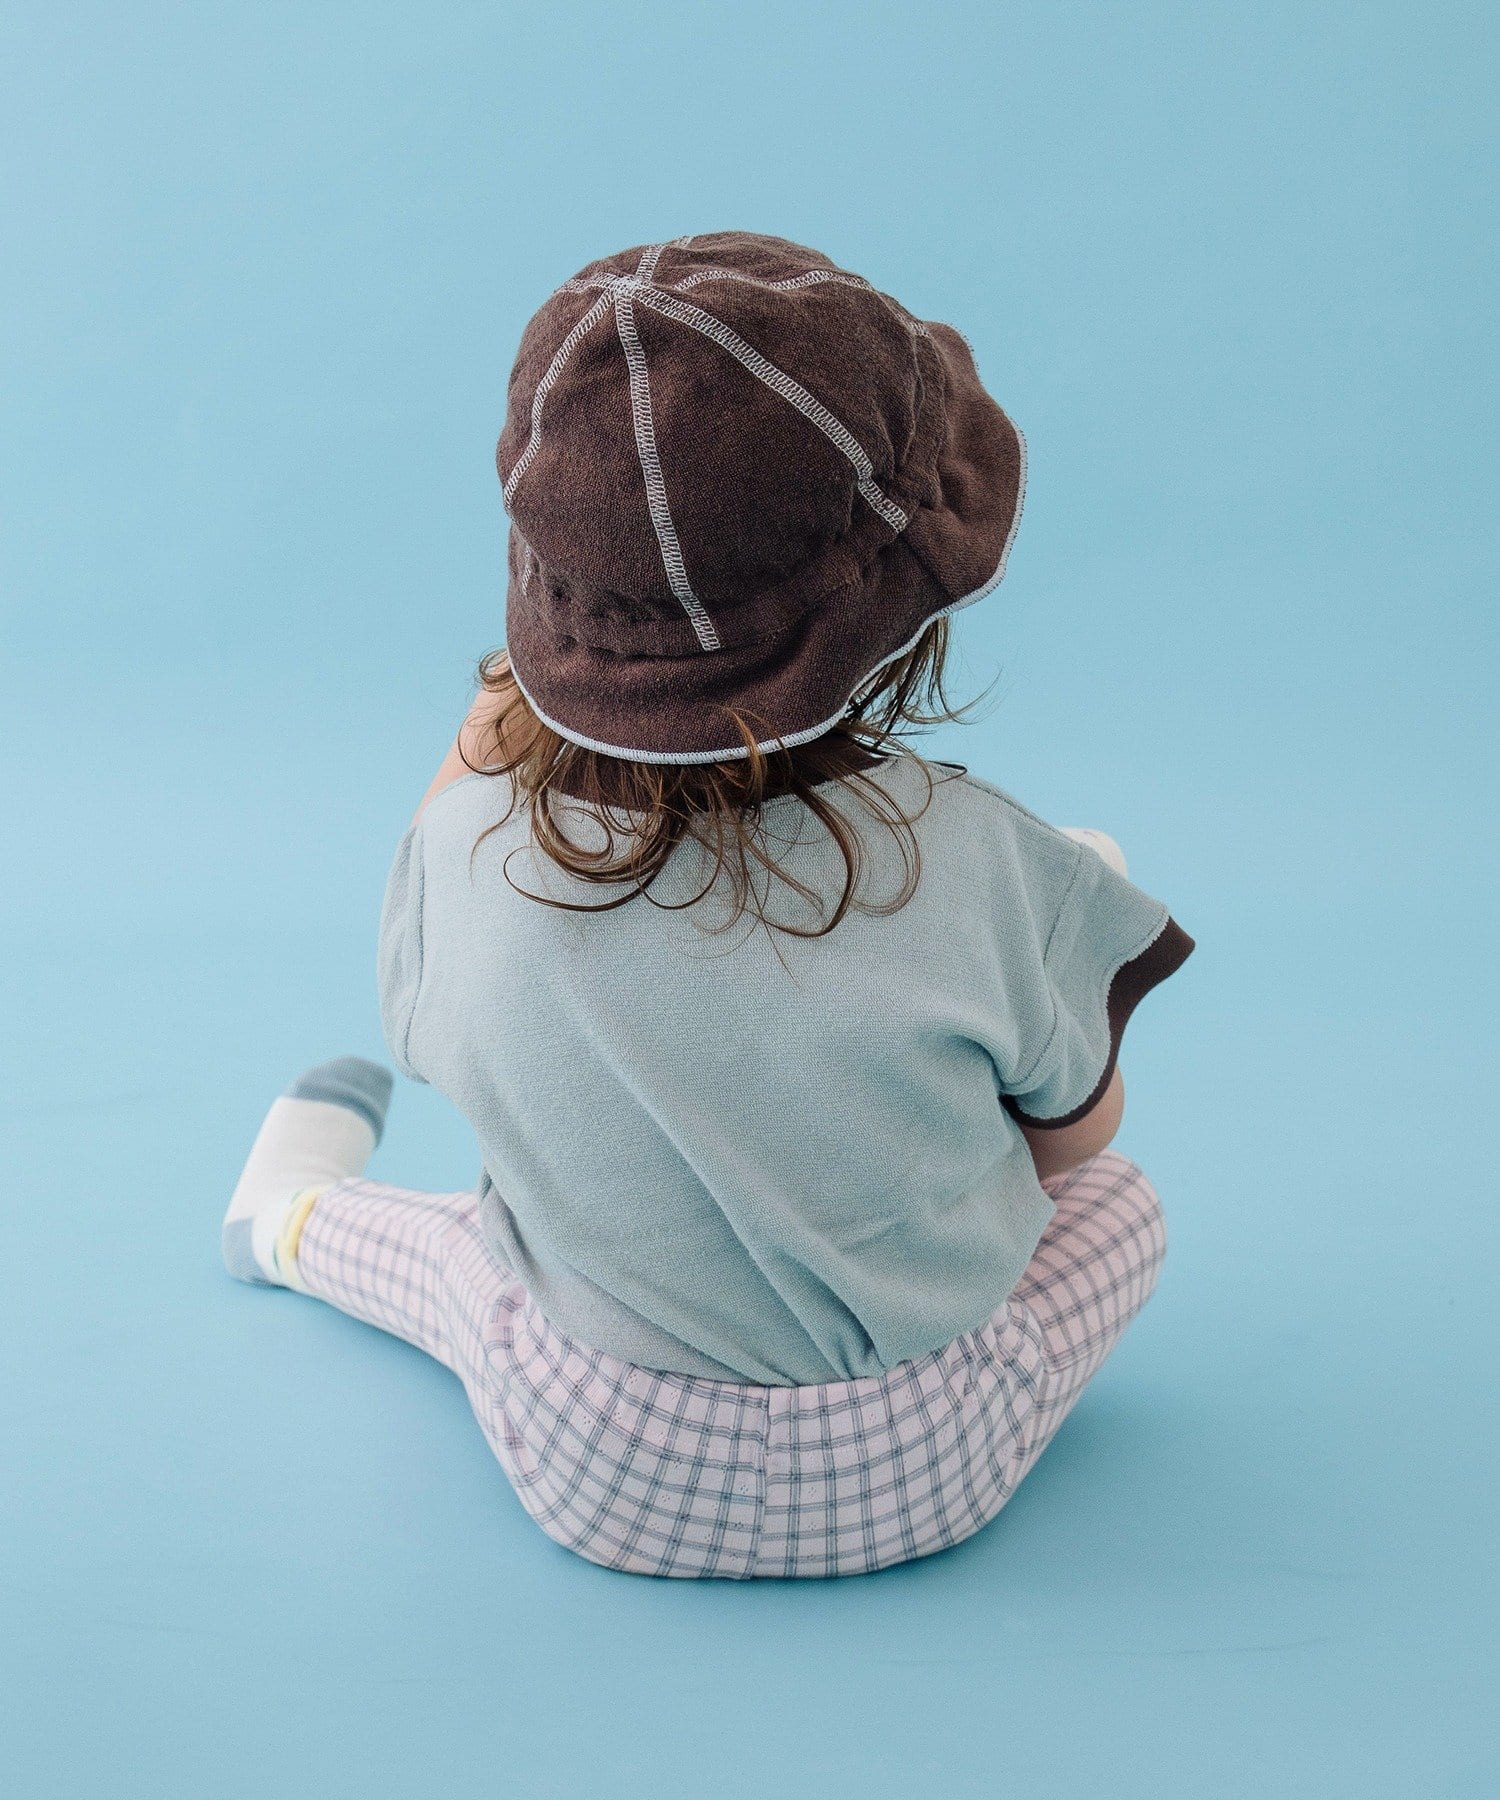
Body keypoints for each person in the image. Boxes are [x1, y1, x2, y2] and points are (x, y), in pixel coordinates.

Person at [222, 230, 1195, 1579]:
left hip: (595, 1457)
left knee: (472, 1258)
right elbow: (1076, 1142)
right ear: (902, 613)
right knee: (1126, 1202)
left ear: (544, 613)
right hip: (932, 1457)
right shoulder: (987, 864)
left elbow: (422, 994)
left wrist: (500, 715)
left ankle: (286, 1221)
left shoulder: (464, 865)